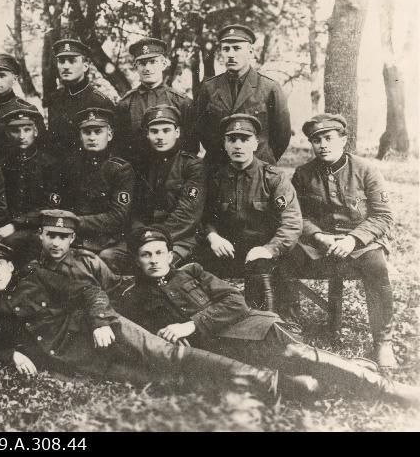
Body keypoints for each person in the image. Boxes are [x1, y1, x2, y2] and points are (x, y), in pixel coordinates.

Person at [0, 221, 306, 403]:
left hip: (98, 329)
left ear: (11, 265)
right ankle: (269, 388)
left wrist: (100, 321)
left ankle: (269, 382)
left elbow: (89, 291)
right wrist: (10, 354)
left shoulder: (35, 278)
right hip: (77, 359)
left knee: (169, 356)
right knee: (164, 381)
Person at [112, 228, 420, 407]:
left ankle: (386, 390)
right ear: (137, 261)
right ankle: (352, 370)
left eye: (158, 253)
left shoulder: (191, 271)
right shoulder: (133, 299)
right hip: (215, 353)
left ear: (169, 255)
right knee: (302, 385)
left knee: (297, 354)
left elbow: (235, 301)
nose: (153, 260)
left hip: (249, 330)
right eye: (145, 255)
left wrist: (191, 324)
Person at [282, 114, 397, 368]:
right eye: (316, 140)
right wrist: (318, 235)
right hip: (318, 245)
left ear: (343, 140)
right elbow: (295, 215)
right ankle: (291, 332)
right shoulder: (303, 174)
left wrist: (353, 239)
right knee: (284, 256)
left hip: (359, 244)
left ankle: (382, 341)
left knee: (377, 266)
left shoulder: (366, 170)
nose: (322, 145)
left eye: (328, 138)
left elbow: (383, 215)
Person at [199, 114, 301, 311]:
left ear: (256, 143)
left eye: (245, 140)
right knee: (197, 262)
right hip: (228, 248)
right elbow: (204, 216)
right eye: (232, 140)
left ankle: (287, 320)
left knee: (288, 258)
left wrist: (269, 249)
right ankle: (208, 318)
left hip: (264, 247)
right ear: (225, 144)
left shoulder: (274, 178)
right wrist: (213, 236)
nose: (238, 146)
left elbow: (292, 223)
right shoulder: (215, 179)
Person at [189, 24, 291, 167]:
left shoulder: (269, 88)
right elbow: (202, 130)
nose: (231, 54)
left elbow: (282, 136)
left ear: (250, 52)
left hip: (258, 168)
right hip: (219, 169)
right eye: (226, 49)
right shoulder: (209, 87)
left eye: (237, 48)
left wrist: (262, 160)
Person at [59, 108, 133, 273]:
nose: (92, 137)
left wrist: (77, 222)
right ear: (80, 136)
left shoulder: (121, 169)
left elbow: (119, 216)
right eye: (87, 132)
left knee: (106, 259)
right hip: (76, 239)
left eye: (98, 132)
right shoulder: (71, 166)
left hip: (110, 241)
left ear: (110, 135)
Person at [130, 105, 205, 267]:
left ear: (177, 133)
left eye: (166, 130)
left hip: (181, 238)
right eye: (154, 131)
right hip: (145, 236)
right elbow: (135, 209)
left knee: (160, 265)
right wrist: (142, 236)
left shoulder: (192, 165)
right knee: (110, 257)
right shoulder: (141, 165)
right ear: (147, 134)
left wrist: (154, 239)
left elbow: (187, 215)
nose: (160, 137)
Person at [0, 109, 61, 265]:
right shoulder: (3, 164)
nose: (22, 136)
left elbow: (51, 206)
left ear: (35, 131)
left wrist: (15, 224)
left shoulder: (49, 164)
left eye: (27, 130)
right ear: (8, 134)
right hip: (6, 224)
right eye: (15, 131)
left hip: (37, 226)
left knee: (12, 244)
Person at [115, 38, 193, 157]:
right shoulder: (126, 104)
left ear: (163, 64)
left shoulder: (182, 102)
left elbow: (191, 148)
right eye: (142, 63)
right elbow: (120, 148)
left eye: (152, 62)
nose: (147, 68)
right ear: (136, 66)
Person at [46, 38, 115, 157]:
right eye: (62, 61)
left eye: (72, 61)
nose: (65, 66)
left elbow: (112, 147)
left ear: (85, 66)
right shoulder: (54, 99)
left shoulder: (100, 101)